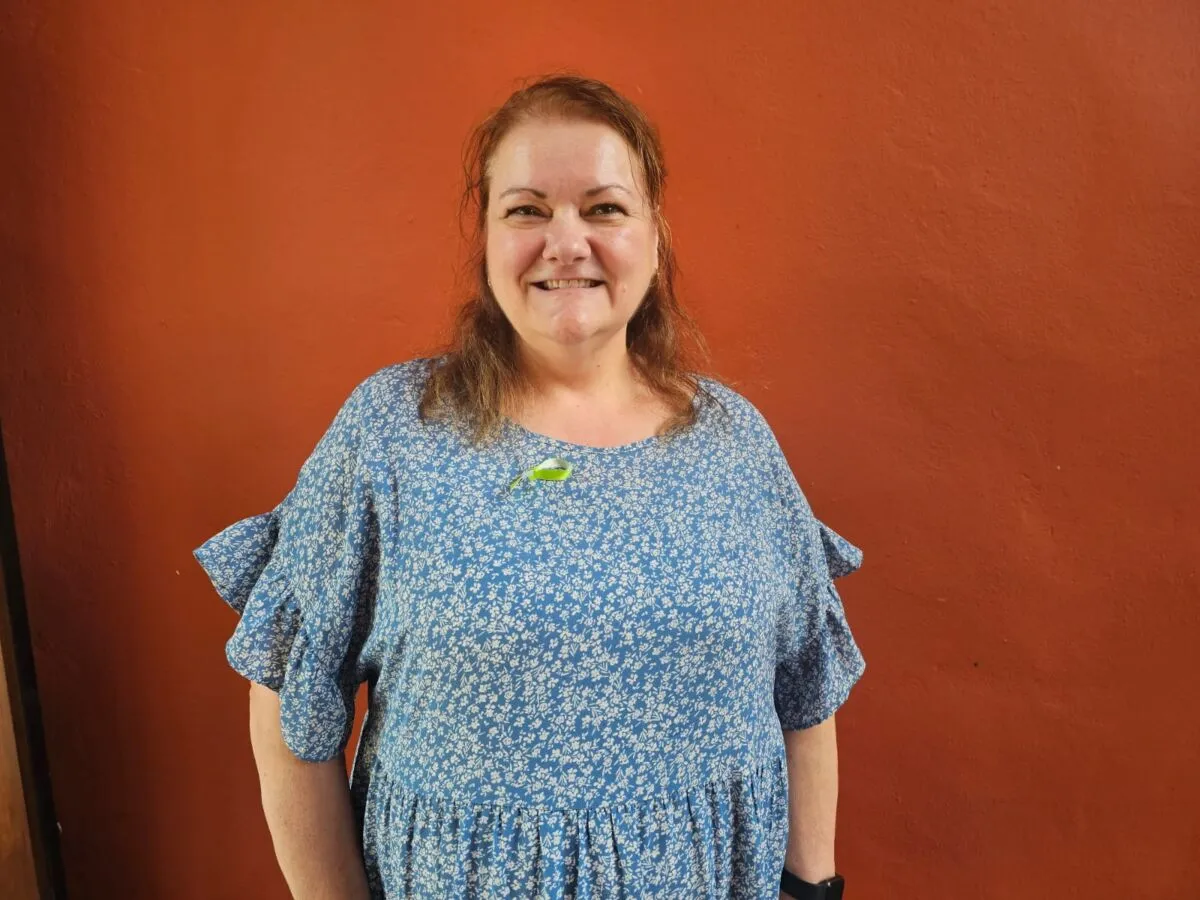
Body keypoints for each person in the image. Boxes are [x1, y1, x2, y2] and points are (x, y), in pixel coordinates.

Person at [193, 73, 866, 900]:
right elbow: (288, 696)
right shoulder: (391, 432)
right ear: (486, 236)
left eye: (604, 208)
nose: (566, 242)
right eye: (527, 210)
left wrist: (810, 890)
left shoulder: (735, 445)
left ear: (654, 236)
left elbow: (806, 690)